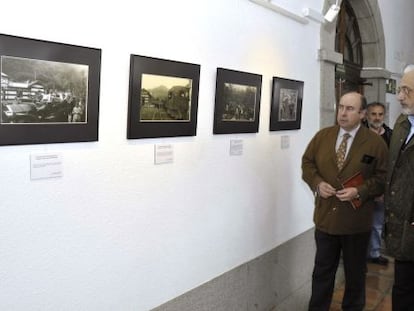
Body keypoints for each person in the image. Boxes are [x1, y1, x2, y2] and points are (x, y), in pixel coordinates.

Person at [302, 91, 388, 311]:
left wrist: (359, 191)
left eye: (350, 109)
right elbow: (307, 164)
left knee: (355, 275)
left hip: (356, 223)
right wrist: (318, 183)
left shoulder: (375, 143)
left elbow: (382, 178)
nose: (343, 113)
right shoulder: (323, 136)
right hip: (326, 221)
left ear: (362, 114)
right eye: (341, 107)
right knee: (322, 272)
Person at [384, 68, 414, 310]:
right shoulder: (402, 122)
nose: (400, 96)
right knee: (402, 289)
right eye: (401, 89)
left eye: (407, 90)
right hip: (401, 229)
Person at [365, 102, 393, 265]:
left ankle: (374, 253)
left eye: (380, 114)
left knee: (377, 223)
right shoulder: (360, 134)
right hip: (362, 187)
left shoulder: (392, 135)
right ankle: (358, 254)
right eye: (373, 114)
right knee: (359, 224)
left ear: (384, 116)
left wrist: (383, 190)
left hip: (383, 188)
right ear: (367, 116)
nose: (377, 117)